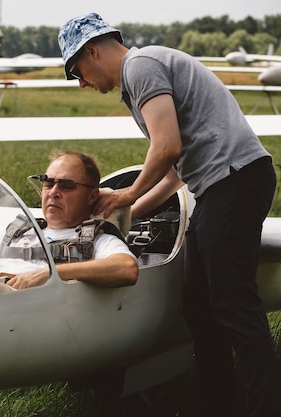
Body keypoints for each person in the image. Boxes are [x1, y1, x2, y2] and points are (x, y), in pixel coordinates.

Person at [57, 12, 281, 417]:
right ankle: (219, 404)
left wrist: (125, 193)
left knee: (233, 304)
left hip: (235, 180)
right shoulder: (138, 78)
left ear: (91, 51)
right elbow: (176, 173)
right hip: (216, 185)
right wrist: (128, 210)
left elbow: (166, 149)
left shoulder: (141, 67)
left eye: (76, 71)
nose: (81, 83)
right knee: (197, 305)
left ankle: (264, 406)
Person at [0, 150, 138, 298]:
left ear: (92, 196)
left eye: (66, 185)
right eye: (48, 183)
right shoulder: (18, 232)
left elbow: (127, 269)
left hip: (28, 310)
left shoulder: (97, 239)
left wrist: (51, 273)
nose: (53, 193)